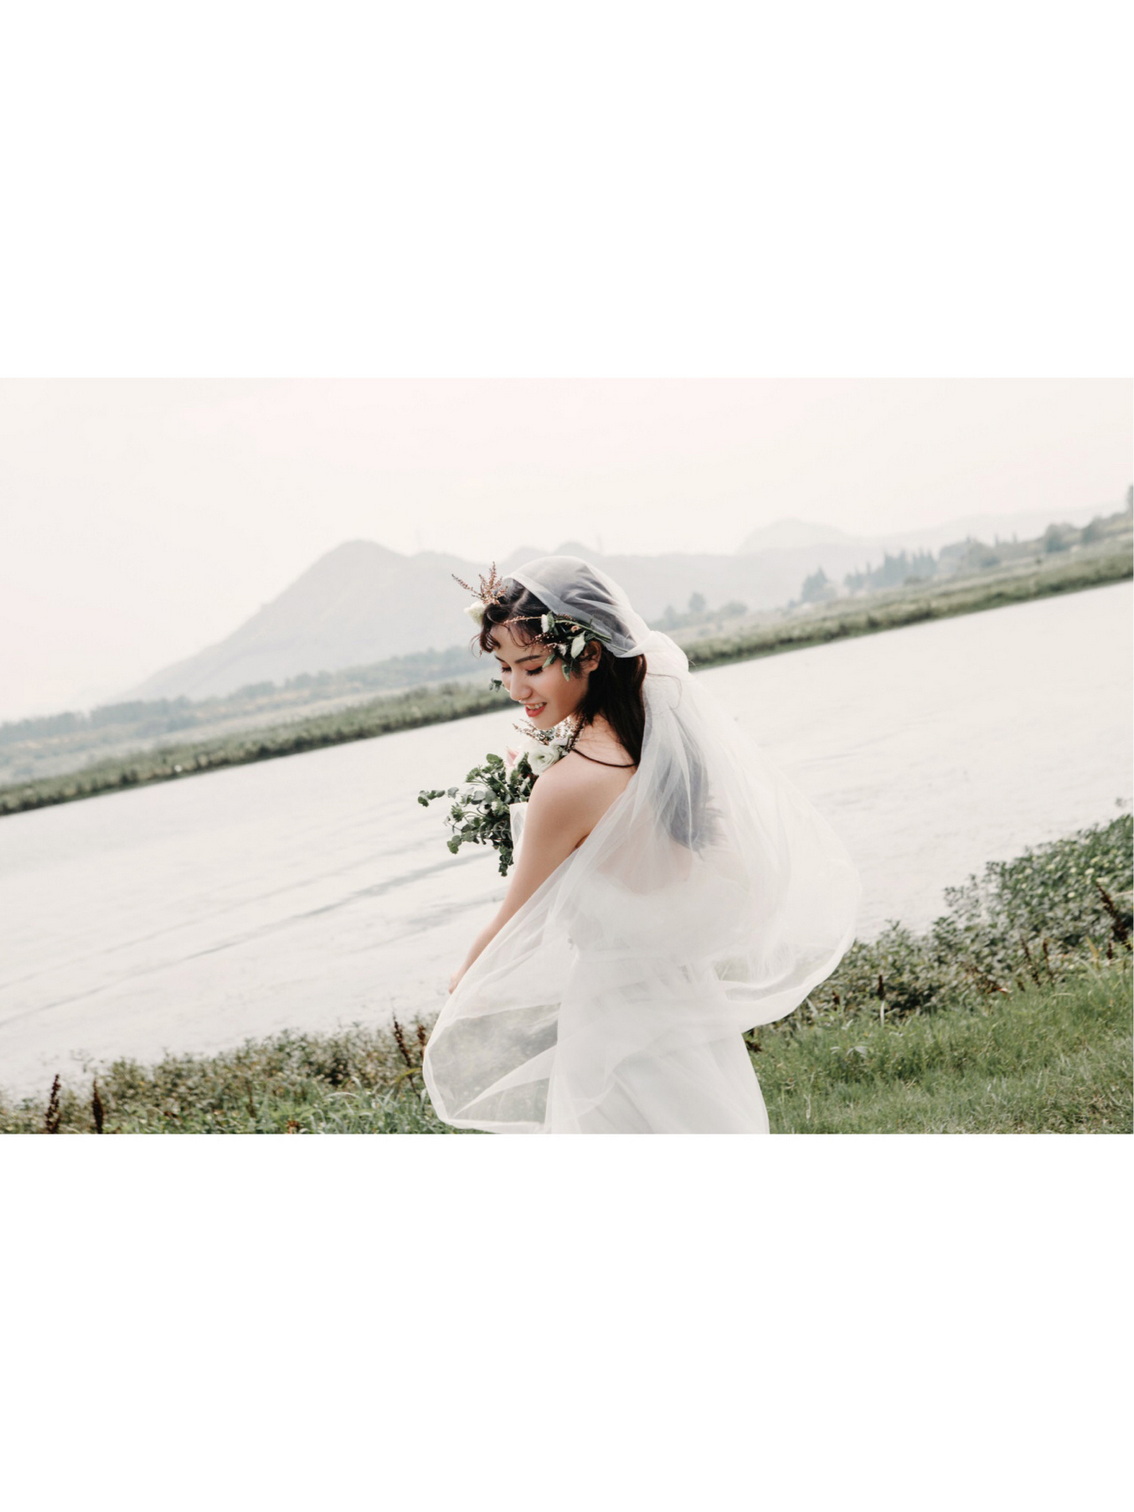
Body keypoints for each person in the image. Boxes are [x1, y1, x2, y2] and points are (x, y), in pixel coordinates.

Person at [422, 555, 861, 1134]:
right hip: (687, 1000)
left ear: (590, 654)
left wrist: (461, 983)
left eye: (531, 666)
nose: (515, 688)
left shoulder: (565, 785)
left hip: (612, 1019)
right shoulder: (667, 754)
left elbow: (515, 921)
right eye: (503, 668)